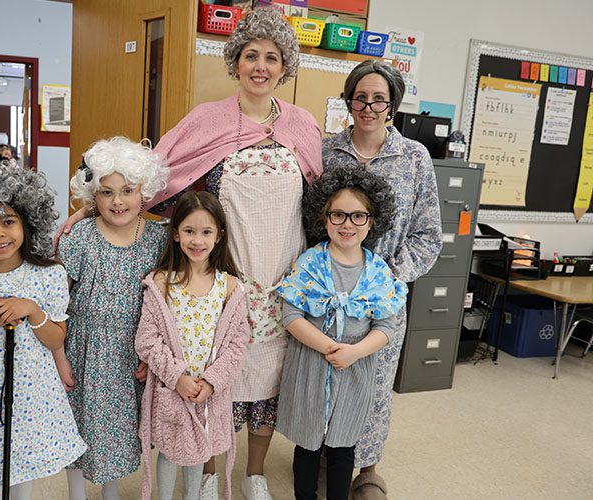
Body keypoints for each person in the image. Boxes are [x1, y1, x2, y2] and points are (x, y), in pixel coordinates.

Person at [58, 9, 322, 498]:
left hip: (282, 273)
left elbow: (318, 200)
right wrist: (88, 209)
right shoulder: (207, 120)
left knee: (265, 376)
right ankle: (204, 474)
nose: (260, 66)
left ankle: (255, 473)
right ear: (235, 61)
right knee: (211, 367)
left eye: (271, 57)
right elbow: (152, 178)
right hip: (216, 273)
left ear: (285, 66)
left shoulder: (304, 125)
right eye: (250, 56)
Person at [321, 59, 442, 500]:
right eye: (360, 98)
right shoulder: (326, 151)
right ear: (348, 101)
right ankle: (325, 460)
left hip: (383, 298)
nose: (368, 107)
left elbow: (429, 233)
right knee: (328, 375)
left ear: (392, 105)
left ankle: (366, 469)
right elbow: (309, 220)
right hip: (327, 292)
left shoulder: (414, 158)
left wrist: (388, 275)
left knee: (372, 387)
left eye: (379, 99)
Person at [0, 164, 86, 500]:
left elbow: (55, 338)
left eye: (8, 222)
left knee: (23, 468)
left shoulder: (48, 275)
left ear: (28, 223)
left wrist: (32, 310)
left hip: (33, 393)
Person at [275, 166, 407, 500]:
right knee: (307, 444)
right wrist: (329, 347)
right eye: (338, 214)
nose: (347, 224)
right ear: (324, 218)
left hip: (355, 367)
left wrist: (353, 352)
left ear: (372, 220)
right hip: (310, 362)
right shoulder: (309, 263)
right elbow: (290, 314)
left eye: (358, 216)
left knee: (343, 445)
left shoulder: (378, 271)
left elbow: (386, 326)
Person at [54, 137, 169, 500]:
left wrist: (153, 355)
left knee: (118, 430)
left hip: (130, 352)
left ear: (144, 191)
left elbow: (167, 305)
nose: (117, 201)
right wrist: (58, 355)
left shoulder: (158, 239)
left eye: (128, 190)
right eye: (106, 192)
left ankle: (111, 492)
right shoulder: (80, 237)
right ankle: (76, 493)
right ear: (93, 196)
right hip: (83, 349)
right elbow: (56, 300)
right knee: (78, 424)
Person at [135, 191, 250, 500]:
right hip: (172, 388)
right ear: (175, 234)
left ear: (219, 235)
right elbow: (147, 339)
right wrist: (177, 377)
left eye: (206, 232)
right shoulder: (161, 283)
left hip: (209, 393)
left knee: (199, 452)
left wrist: (212, 382)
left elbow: (238, 344)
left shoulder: (230, 287)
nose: (197, 240)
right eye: (189, 230)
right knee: (172, 452)